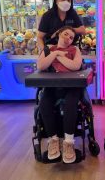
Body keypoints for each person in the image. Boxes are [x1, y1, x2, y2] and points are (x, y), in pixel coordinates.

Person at [37, 26, 82, 164]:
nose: (68, 38)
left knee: (70, 104)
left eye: (71, 37)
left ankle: (68, 142)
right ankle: (53, 140)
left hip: (71, 86)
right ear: (59, 34)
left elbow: (75, 66)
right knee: (44, 103)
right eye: (66, 34)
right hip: (52, 86)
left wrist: (60, 57)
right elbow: (41, 66)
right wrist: (55, 53)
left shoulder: (75, 50)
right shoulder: (48, 48)